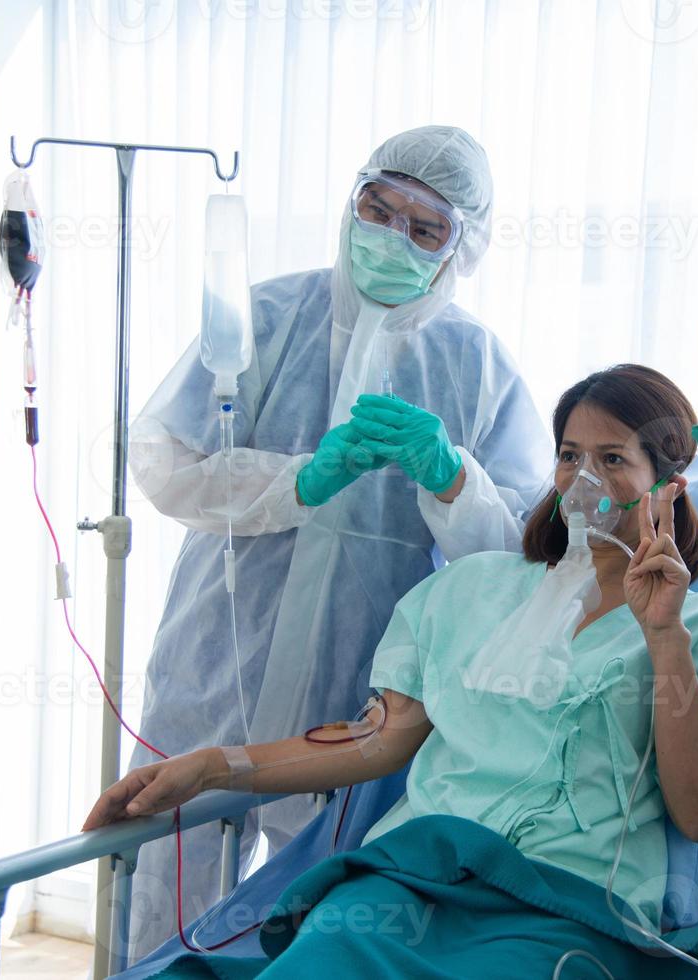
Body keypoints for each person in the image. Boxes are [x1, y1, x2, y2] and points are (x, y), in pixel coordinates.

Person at [86, 365, 698, 978]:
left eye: (613, 459)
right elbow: (379, 741)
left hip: (565, 906)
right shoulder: (469, 589)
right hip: (409, 880)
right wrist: (210, 766)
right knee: (324, 958)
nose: (583, 480)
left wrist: (662, 634)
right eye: (570, 455)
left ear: (666, 486)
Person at [123, 125, 552, 958]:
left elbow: (517, 556)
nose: (391, 237)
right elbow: (165, 461)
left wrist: (450, 477)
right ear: (350, 199)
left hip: (358, 683)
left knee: (309, 895)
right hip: (220, 649)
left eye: (424, 228)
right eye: (377, 208)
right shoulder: (263, 317)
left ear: (461, 248)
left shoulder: (479, 366)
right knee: (171, 872)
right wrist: (297, 482)